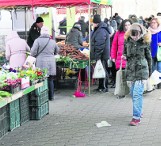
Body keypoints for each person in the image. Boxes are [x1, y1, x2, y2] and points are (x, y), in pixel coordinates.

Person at [123, 23, 152, 126]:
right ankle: (139, 111)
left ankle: (136, 117)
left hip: (141, 71)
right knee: (132, 94)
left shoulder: (145, 42)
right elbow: (125, 53)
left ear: (140, 32)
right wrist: (124, 56)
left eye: (136, 33)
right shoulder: (127, 41)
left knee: (136, 94)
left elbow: (149, 58)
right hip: (130, 70)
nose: (134, 35)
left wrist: (149, 73)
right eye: (132, 33)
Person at [31, 26, 59, 101]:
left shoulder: (37, 41)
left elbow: (33, 52)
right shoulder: (52, 41)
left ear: (41, 32)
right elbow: (57, 50)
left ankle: (42, 97)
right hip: (51, 62)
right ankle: (51, 97)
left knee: (41, 79)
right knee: (50, 80)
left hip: (40, 62)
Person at [91, 14, 110, 92]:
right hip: (102, 54)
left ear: (96, 22)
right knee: (100, 70)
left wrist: (97, 56)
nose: (92, 24)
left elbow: (100, 44)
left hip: (102, 55)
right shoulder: (100, 29)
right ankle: (101, 86)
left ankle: (104, 87)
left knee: (103, 70)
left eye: (93, 22)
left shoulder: (101, 30)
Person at [110, 19, 132, 91]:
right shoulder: (118, 33)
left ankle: (130, 89)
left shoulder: (134, 32)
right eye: (126, 25)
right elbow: (114, 45)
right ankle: (122, 89)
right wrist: (113, 56)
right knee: (121, 75)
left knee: (130, 74)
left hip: (130, 57)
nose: (127, 26)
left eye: (129, 25)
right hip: (120, 57)